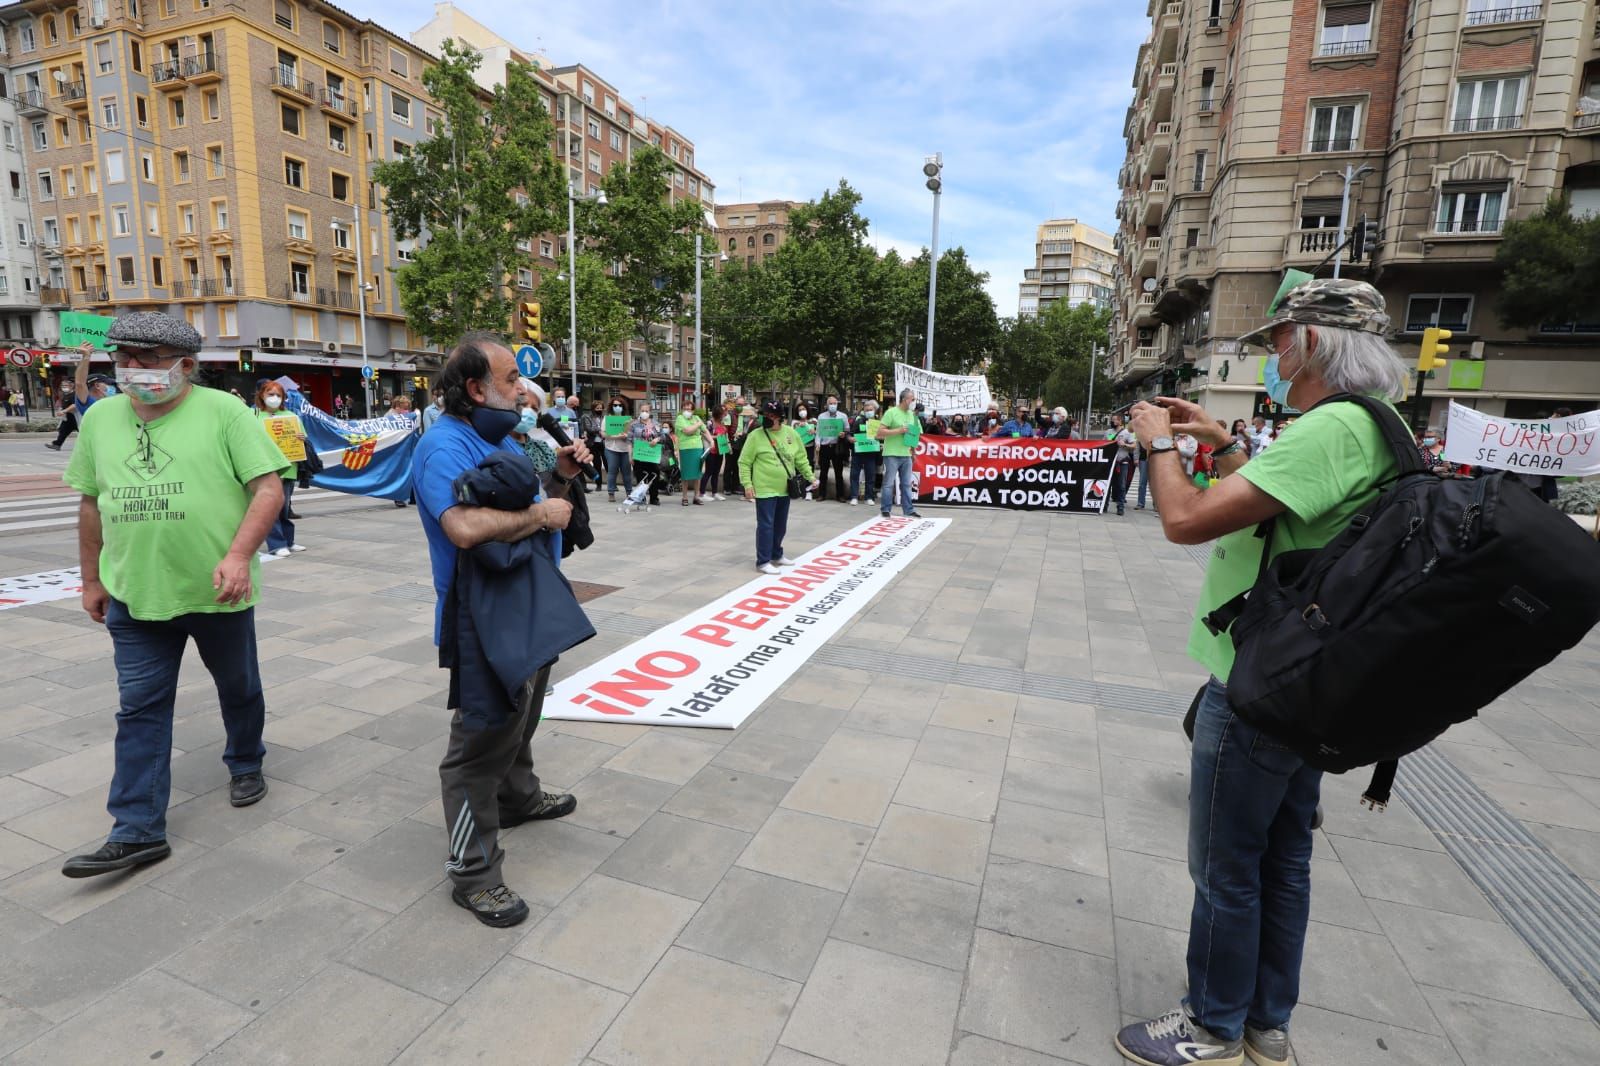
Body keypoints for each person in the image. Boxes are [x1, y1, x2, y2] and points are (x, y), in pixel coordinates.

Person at [1113, 279, 1407, 1066]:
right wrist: (1218, 438)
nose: (1274, 356)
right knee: (1283, 858)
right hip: (1307, 681)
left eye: (1280, 341)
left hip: (1258, 686)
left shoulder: (1331, 428)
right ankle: (1265, 1022)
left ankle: (1211, 1025)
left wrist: (1158, 442)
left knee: (1223, 868)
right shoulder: (1373, 425)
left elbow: (1183, 520)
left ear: (1313, 342)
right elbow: (1287, 508)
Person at [59, 312, 288, 878]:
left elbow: (267, 489)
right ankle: (136, 829)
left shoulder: (226, 412)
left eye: (147, 358)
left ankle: (245, 760)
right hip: (135, 595)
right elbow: (91, 502)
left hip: (218, 592)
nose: (132, 369)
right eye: (124, 358)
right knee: (139, 710)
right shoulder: (101, 419)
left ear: (185, 365)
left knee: (238, 688)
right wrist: (91, 578)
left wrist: (237, 556)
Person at [411, 332, 588, 927]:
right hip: (484, 621)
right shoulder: (443, 447)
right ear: (474, 388)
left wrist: (557, 480)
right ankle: (472, 870)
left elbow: (533, 512)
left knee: (524, 713)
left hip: (527, 603)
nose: (523, 389)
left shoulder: (502, 437)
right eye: (512, 379)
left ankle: (517, 797)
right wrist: (541, 511)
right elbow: (464, 527)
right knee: (477, 748)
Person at [740, 399, 817, 574]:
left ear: (780, 417)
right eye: (764, 415)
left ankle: (776, 554)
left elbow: (801, 458)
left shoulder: (791, 433)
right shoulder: (755, 436)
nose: (766, 418)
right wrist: (747, 484)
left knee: (780, 525)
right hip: (764, 488)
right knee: (766, 525)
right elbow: (744, 462)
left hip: (785, 488)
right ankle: (763, 560)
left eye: (771, 415)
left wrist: (810, 477)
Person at [254, 380, 308, 558]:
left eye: (278, 395)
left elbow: (303, 438)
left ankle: (288, 541)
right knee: (272, 508)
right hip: (267, 469)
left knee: (284, 508)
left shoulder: (291, 416)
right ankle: (276, 544)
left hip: (289, 468)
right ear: (262, 395)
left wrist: (302, 438)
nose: (275, 398)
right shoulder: (253, 417)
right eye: (271, 394)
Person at [878, 387, 922, 519]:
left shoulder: (912, 416)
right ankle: (886, 509)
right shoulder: (891, 412)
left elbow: (915, 436)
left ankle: (908, 510)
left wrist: (913, 452)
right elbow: (880, 433)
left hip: (906, 454)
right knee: (889, 483)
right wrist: (898, 431)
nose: (914, 402)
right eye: (912, 399)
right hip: (891, 453)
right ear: (905, 399)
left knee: (906, 484)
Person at [674, 398, 712, 506]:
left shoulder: (696, 418)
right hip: (685, 449)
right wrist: (698, 424)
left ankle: (696, 496)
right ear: (681, 409)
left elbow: (705, 431)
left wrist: (711, 441)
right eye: (685, 408)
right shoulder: (680, 419)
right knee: (685, 474)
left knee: (697, 474)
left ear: (693, 410)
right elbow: (687, 431)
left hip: (698, 448)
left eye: (689, 409)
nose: (687, 411)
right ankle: (684, 497)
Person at [628, 404, 667, 506]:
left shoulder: (656, 424)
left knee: (654, 476)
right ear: (639, 411)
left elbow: (663, 437)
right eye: (642, 410)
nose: (644, 412)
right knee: (640, 476)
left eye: (646, 411)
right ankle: (641, 497)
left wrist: (657, 439)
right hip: (639, 455)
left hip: (652, 455)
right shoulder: (634, 424)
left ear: (650, 412)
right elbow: (629, 441)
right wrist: (630, 455)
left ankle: (654, 498)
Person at [847, 399, 882, 506]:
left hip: (871, 454)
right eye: (866, 410)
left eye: (870, 410)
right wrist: (850, 438)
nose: (868, 412)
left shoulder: (878, 423)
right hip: (858, 453)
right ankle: (854, 496)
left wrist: (881, 443)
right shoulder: (858, 421)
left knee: (870, 476)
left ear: (875, 410)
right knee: (854, 475)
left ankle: (869, 497)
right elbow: (850, 434)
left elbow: (882, 437)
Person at [814, 395, 849, 501]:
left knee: (839, 472)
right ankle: (821, 494)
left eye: (835, 403)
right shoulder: (821, 416)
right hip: (825, 447)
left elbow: (847, 430)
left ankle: (840, 495)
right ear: (826, 405)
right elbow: (819, 432)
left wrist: (844, 433)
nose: (833, 405)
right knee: (823, 472)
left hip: (837, 446)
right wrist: (817, 443)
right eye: (831, 403)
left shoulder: (842, 416)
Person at [601, 397, 635, 503]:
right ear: (611, 407)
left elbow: (633, 434)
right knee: (612, 471)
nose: (617, 407)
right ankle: (611, 493)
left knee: (627, 472)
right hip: (611, 448)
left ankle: (629, 493)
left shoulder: (628, 420)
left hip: (625, 449)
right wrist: (616, 437)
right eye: (615, 405)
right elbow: (603, 433)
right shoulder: (607, 419)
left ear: (623, 407)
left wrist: (627, 436)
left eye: (620, 405)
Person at [1109, 419, 1139, 516]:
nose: (1112, 421)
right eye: (1112, 419)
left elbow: (1134, 445)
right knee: (1108, 485)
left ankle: (1120, 507)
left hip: (1123, 462)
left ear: (1120, 421)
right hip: (1110, 462)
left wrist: (1125, 444)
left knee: (1122, 485)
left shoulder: (1128, 433)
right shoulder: (1108, 432)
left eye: (1115, 419)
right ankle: (1104, 506)